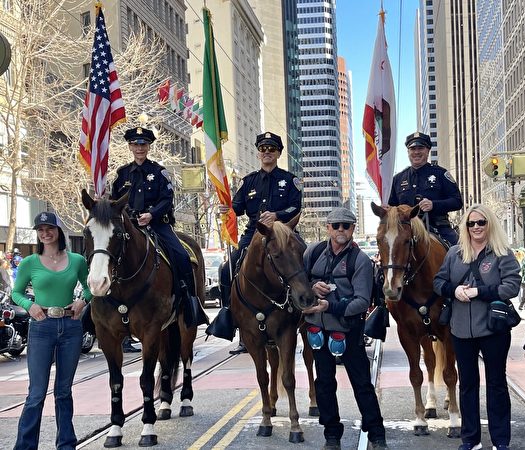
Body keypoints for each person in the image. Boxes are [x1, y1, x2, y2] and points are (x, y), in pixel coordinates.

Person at [433, 204, 521, 450]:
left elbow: (512, 285)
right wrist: (455, 290)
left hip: (493, 328)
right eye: (471, 224)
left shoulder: (502, 252)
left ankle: (500, 440)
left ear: (489, 223)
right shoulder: (454, 253)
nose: (476, 228)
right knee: (468, 385)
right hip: (461, 329)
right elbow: (439, 282)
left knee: (496, 384)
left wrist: (479, 292)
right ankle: (470, 439)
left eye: (481, 222)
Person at [111, 126, 208, 346]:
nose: (139, 148)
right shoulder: (121, 174)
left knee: (182, 258)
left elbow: (167, 199)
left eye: (143, 144)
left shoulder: (159, 172)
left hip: (158, 226)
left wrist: (151, 214)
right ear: (130, 147)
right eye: (135, 144)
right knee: (106, 256)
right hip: (129, 227)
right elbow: (115, 201)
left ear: (148, 146)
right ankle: (100, 308)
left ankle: (189, 303)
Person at [207, 131, 302, 354]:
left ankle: (304, 310)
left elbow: (296, 207)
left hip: (283, 233)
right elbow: (237, 208)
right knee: (226, 270)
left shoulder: (289, 180)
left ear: (278, 153)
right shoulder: (249, 181)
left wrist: (277, 216)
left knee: (303, 261)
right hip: (254, 234)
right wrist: (227, 209)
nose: (266, 153)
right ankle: (232, 318)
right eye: (263, 149)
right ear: (258, 153)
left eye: (271, 149)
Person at [303, 207, 387, 450]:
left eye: (346, 225)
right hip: (317, 332)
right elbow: (298, 282)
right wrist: (312, 286)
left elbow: (362, 301)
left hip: (347, 331)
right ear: (328, 227)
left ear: (352, 229)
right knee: (324, 384)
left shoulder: (359, 260)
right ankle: (332, 435)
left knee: (361, 382)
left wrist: (330, 306)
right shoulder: (313, 252)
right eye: (336, 225)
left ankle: (377, 434)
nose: (341, 229)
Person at [12, 211, 92, 450]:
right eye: (41, 230)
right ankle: (25, 446)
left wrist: (82, 300)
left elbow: (91, 287)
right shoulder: (29, 263)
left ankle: (66, 444)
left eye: (50, 228)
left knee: (63, 391)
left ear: (58, 231)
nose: (45, 233)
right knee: (36, 394)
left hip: (70, 327)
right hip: (41, 327)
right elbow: (16, 293)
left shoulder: (77, 260)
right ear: (37, 234)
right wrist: (30, 305)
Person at [388, 131, 463, 245]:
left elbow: (457, 201)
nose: (416, 152)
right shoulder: (397, 179)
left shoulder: (440, 174)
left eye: (420, 148)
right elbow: (391, 207)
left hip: (438, 228)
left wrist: (434, 204)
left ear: (428, 151)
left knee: (460, 252)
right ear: (408, 152)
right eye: (413, 149)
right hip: (406, 231)